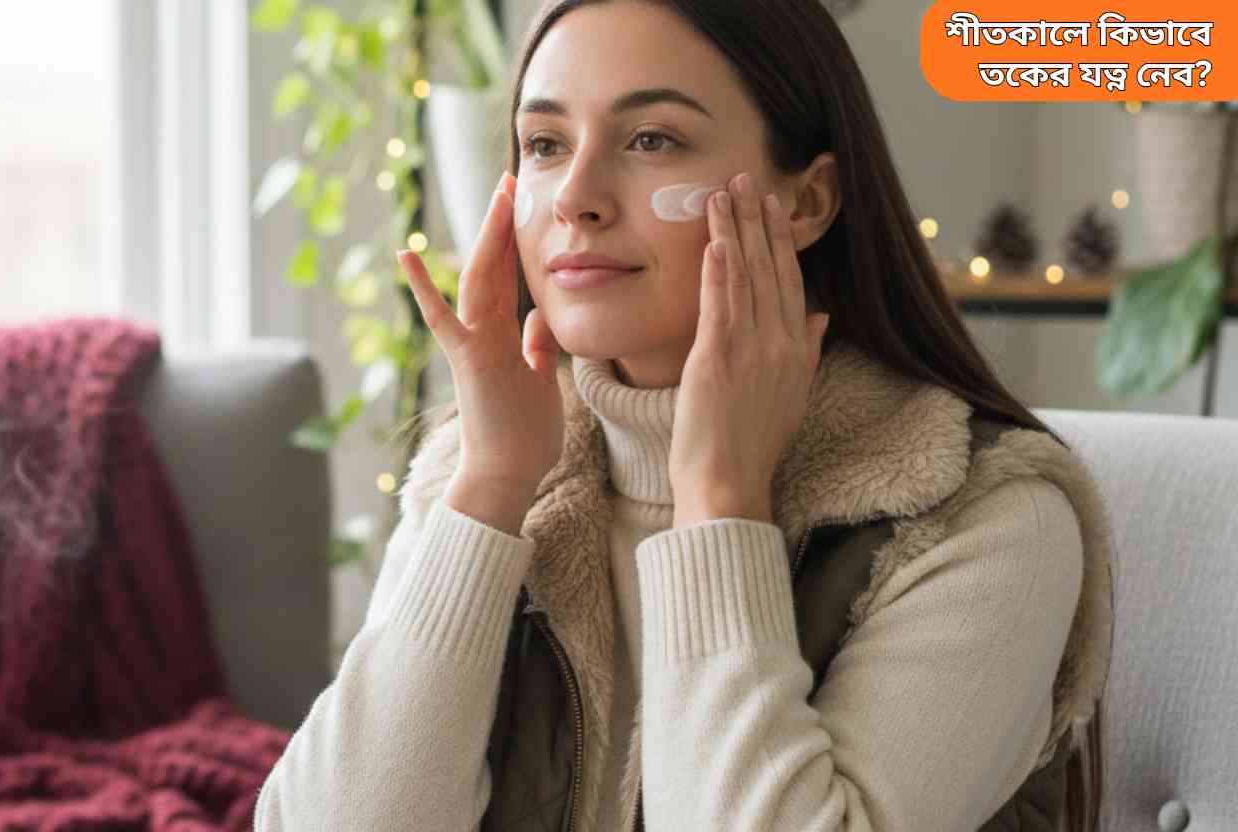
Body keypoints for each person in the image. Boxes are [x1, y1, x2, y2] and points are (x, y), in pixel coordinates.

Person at [253, 0, 1115, 828]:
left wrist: (719, 494)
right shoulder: (478, 471)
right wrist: (490, 484)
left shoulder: (982, 520)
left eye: (651, 139)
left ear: (808, 202)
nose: (575, 197)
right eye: (545, 143)